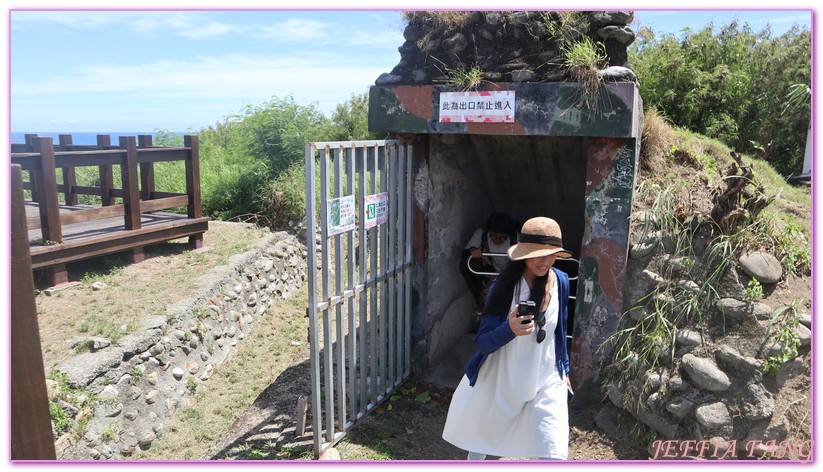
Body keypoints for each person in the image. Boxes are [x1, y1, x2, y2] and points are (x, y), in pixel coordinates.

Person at [443, 216, 574, 460]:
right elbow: (482, 342)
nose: (545, 261)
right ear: (523, 253)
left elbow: (560, 331)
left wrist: (564, 369)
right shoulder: (503, 287)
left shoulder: (561, 282)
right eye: (537, 254)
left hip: (546, 380)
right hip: (503, 377)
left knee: (554, 451)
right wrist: (508, 329)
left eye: (552, 254)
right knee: (480, 441)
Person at [459, 212, 518, 308]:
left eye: (501, 237)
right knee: (466, 264)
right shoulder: (482, 234)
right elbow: (463, 254)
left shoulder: (516, 239)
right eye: (493, 236)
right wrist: (472, 251)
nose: (497, 240)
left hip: (509, 274)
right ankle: (482, 303)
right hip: (489, 271)